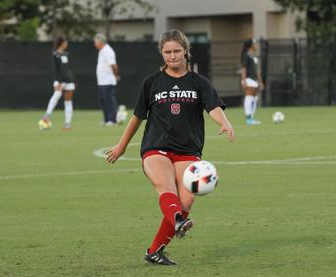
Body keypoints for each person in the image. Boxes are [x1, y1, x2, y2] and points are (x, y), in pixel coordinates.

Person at [106, 29, 235, 265]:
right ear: (162, 54)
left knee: (186, 201)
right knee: (166, 187)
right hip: (157, 148)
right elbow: (137, 117)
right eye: (167, 52)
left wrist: (225, 122)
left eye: (177, 51)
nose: (172, 56)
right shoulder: (152, 82)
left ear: (186, 52)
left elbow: (214, 107)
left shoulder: (199, 82)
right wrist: (122, 146)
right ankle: (177, 222)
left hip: (188, 151)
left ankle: (155, 251)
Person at [39, 37, 75, 130]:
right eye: (65, 42)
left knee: (68, 102)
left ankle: (67, 124)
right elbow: (53, 69)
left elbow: (68, 68)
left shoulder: (66, 54)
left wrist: (73, 80)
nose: (67, 44)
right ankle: (47, 115)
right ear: (61, 43)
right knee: (56, 96)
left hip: (69, 80)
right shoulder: (54, 54)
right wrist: (56, 82)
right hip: (60, 80)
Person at [94, 33, 120, 126]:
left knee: (109, 100)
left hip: (108, 81)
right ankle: (107, 120)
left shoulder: (108, 50)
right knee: (104, 101)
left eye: (96, 42)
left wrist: (116, 75)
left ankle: (112, 120)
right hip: (101, 81)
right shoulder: (102, 51)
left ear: (101, 42)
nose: (95, 44)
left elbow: (113, 65)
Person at [240, 38, 264, 125]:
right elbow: (243, 68)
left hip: (254, 80)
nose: (256, 45)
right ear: (250, 45)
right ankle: (248, 119)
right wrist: (244, 80)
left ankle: (251, 118)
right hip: (248, 79)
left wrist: (260, 81)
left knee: (255, 98)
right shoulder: (246, 55)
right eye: (255, 43)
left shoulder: (253, 56)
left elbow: (257, 71)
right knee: (249, 97)